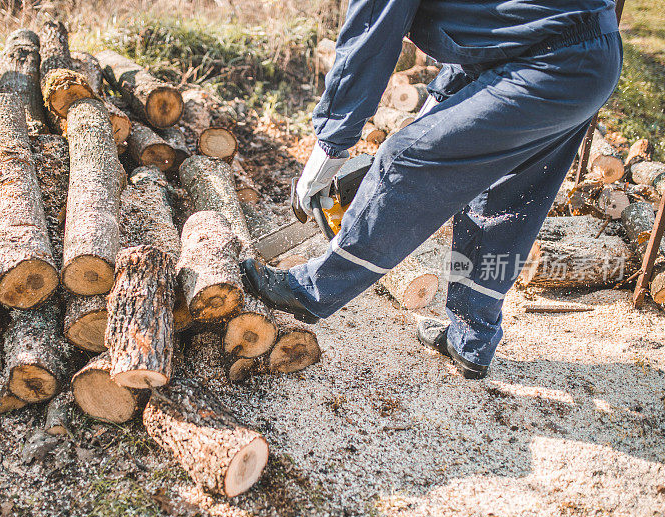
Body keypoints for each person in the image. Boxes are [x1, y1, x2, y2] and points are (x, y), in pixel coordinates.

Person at [241, 0, 623, 379]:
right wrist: (437, 106)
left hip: (547, 64)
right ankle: (473, 338)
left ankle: (312, 289)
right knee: (508, 200)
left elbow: (369, 40)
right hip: (588, 58)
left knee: (404, 158)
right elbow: (493, 30)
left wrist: (329, 148)